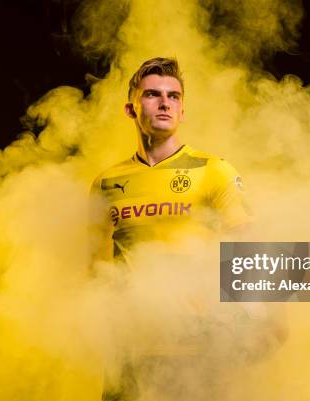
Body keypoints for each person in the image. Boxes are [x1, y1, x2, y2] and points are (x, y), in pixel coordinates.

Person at [89, 57, 251, 266]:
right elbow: (96, 267)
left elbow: (249, 254)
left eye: (174, 96)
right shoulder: (106, 182)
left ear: (181, 112)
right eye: (152, 95)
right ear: (131, 110)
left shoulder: (214, 170)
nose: (165, 104)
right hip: (127, 299)